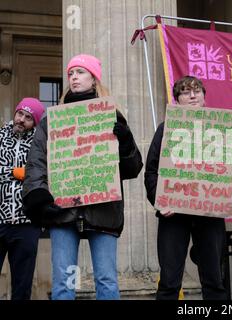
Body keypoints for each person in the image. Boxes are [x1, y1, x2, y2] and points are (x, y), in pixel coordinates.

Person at [22, 54, 143, 300]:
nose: (74, 77)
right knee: (64, 284)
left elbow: (132, 168)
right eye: (71, 73)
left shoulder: (112, 116)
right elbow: (36, 162)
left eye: (80, 72)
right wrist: (41, 200)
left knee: (106, 281)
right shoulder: (52, 120)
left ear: (93, 78)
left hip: (103, 211)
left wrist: (126, 143)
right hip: (62, 211)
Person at [144, 75, 232, 300]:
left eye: (196, 91)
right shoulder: (165, 129)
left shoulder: (221, 130)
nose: (192, 96)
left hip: (209, 215)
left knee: (214, 281)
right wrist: (160, 202)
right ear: (177, 99)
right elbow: (151, 172)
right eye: (185, 92)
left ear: (204, 97)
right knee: (169, 282)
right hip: (173, 215)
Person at [0, 98, 45, 300]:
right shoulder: (0, 136)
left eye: (28, 118)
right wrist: (16, 172)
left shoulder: (40, 143)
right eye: (20, 114)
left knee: (22, 286)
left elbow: (45, 175)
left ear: (34, 122)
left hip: (27, 223)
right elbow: (29, 174)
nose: (21, 120)